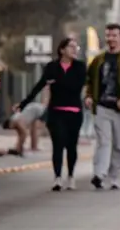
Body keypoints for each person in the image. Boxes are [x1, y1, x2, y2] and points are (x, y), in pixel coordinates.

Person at [16, 38, 87, 191]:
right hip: (56, 112)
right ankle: (57, 177)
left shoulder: (80, 67)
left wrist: (57, 83)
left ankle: (71, 176)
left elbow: (76, 86)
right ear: (62, 50)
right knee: (58, 144)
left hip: (74, 113)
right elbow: (39, 86)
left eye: (77, 47)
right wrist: (23, 104)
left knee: (71, 146)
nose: (75, 50)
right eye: (71, 47)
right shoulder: (52, 67)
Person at [85, 23, 120, 190]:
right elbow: (90, 80)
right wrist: (88, 96)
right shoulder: (98, 60)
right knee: (103, 141)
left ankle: (114, 176)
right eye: (108, 35)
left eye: (114, 36)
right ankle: (99, 174)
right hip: (102, 107)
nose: (111, 39)